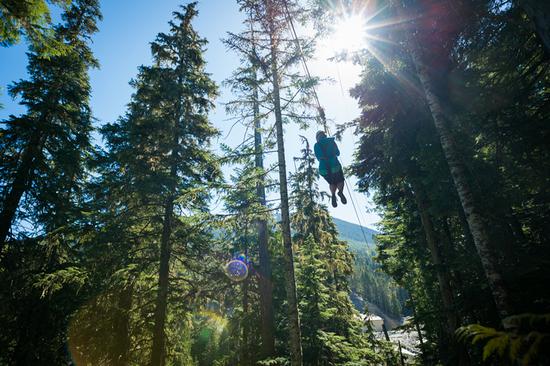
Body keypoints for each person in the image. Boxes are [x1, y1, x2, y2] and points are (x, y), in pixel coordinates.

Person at [314, 130, 347, 207]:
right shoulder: (331, 141)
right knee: (340, 180)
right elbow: (338, 153)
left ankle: (333, 194)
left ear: (317, 138)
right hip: (334, 164)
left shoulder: (316, 145)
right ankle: (340, 192)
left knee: (332, 182)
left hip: (323, 168)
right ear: (324, 135)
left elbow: (318, 157)